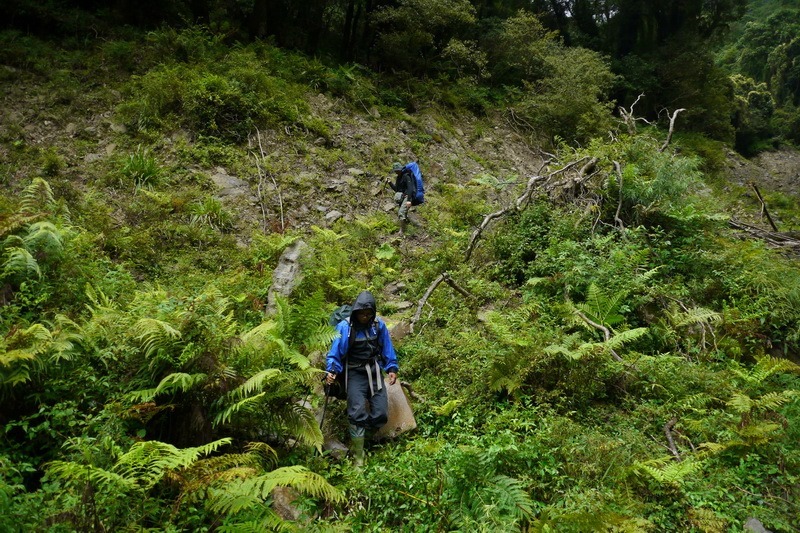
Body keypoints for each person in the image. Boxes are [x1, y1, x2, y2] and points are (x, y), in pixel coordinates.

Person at [325, 290, 399, 467]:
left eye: (368, 313)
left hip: (373, 370)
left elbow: (387, 348)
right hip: (354, 373)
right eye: (361, 313)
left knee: (381, 413)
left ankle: (366, 438)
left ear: (373, 312)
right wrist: (332, 370)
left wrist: (391, 367)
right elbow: (336, 351)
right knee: (357, 412)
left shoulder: (378, 325)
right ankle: (359, 456)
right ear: (355, 311)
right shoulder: (345, 327)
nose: (365, 317)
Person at [387, 161, 416, 233]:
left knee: (401, 212)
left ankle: (402, 231)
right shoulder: (398, 178)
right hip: (402, 197)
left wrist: (409, 200)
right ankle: (408, 227)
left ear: (401, 169)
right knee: (403, 213)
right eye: (396, 171)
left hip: (407, 197)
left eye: (398, 170)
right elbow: (396, 189)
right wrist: (390, 183)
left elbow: (410, 189)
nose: (397, 172)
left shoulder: (406, 176)